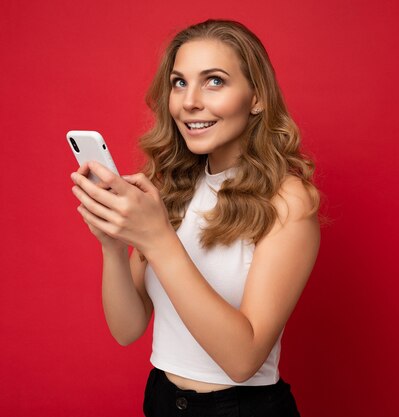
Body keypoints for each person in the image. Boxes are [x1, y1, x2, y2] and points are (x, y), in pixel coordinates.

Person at [70, 19, 320, 417]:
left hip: (240, 408)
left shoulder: (289, 201)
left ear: (256, 97)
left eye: (215, 81)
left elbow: (243, 359)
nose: (189, 101)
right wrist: (114, 247)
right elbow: (127, 329)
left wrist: (158, 240)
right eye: (180, 82)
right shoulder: (171, 188)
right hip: (163, 399)